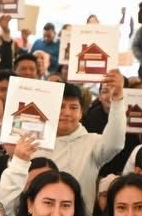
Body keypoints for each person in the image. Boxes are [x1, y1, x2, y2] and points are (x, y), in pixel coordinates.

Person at [48, 77, 128, 207]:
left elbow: (115, 143)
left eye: (73, 107)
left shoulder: (92, 142)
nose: (67, 112)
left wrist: (117, 100)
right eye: (61, 106)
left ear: (81, 113)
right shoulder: (36, 143)